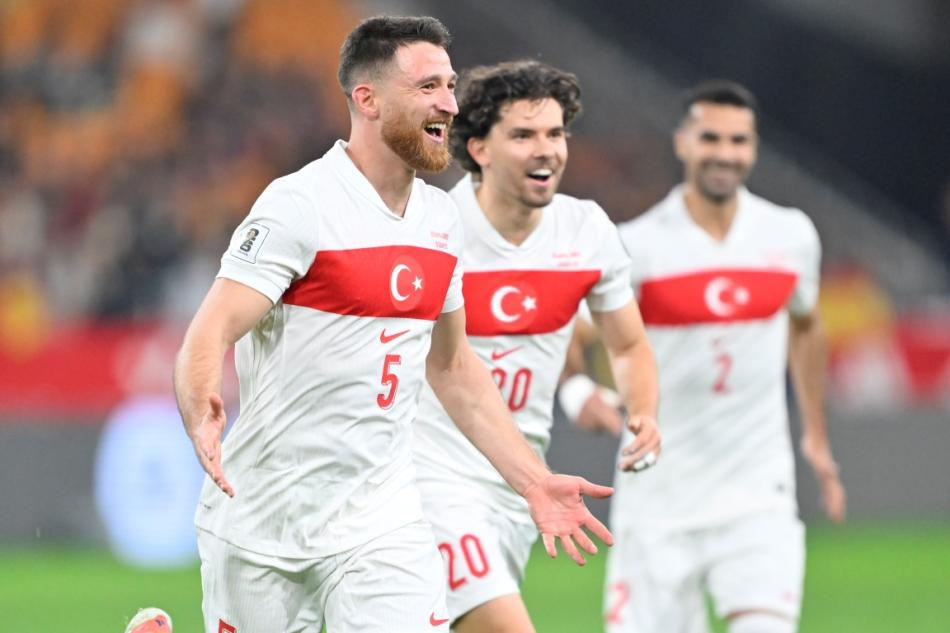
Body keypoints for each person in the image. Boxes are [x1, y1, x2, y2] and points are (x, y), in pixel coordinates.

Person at [172, 17, 613, 633]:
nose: (450, 104)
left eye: (450, 86)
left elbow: (452, 367)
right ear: (368, 99)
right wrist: (200, 405)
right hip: (263, 520)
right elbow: (212, 327)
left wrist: (533, 482)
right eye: (428, 86)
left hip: (383, 521)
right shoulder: (300, 205)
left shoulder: (440, 220)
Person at [411, 60, 661, 633]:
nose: (545, 149)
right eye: (523, 135)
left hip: (521, 480)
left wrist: (644, 412)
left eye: (555, 133)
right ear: (479, 148)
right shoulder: (432, 228)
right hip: (427, 472)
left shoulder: (587, 230)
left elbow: (627, 345)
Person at [603, 80, 847, 633]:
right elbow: (580, 338)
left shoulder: (790, 235)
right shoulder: (635, 244)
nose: (725, 153)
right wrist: (581, 392)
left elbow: (807, 324)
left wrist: (815, 434)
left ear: (754, 148)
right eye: (710, 138)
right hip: (658, 494)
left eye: (739, 141)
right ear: (682, 142)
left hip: (757, 493)